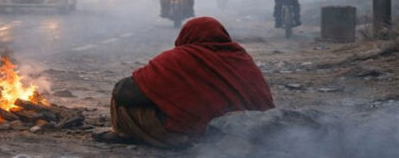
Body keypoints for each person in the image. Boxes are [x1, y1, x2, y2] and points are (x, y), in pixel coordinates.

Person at [98, 17, 274, 148]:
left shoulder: (179, 58)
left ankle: (123, 133)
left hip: (193, 134)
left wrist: (158, 96)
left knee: (121, 97)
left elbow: (124, 92)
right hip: (251, 131)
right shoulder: (240, 56)